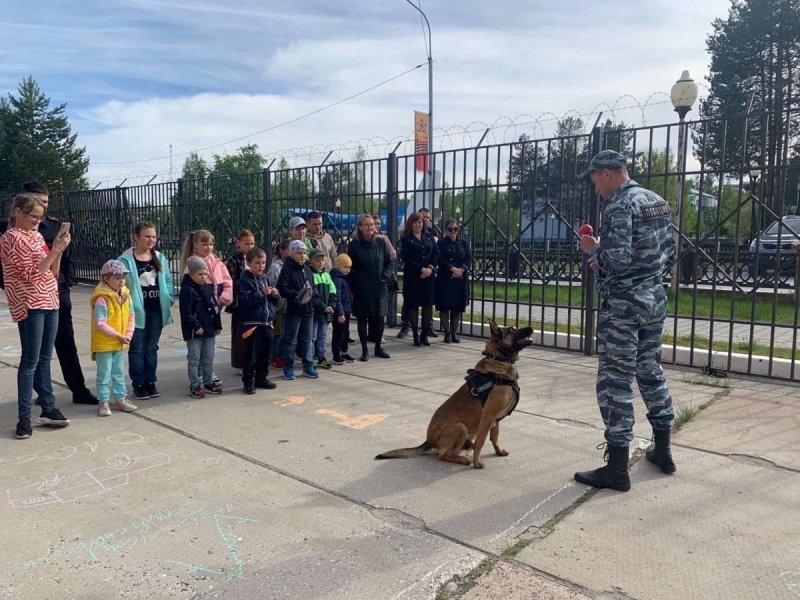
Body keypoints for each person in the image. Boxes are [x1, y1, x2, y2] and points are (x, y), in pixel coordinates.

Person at [573, 150, 677, 493]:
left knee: (615, 380)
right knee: (649, 368)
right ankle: (663, 450)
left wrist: (593, 249)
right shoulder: (657, 201)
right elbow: (668, 252)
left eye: (593, 178)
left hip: (625, 306)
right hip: (654, 299)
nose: (593, 185)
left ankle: (617, 469)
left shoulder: (618, 205)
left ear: (606, 173)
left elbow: (617, 257)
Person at [0, 181, 97, 405]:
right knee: (33, 352)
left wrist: (67, 282)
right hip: (28, 297)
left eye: (45, 203)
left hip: (56, 292)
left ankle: (78, 389)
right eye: (39, 203)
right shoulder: (9, 231)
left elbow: (67, 256)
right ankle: (42, 394)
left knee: (65, 343)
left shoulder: (52, 227)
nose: (42, 210)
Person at [1, 193, 72, 438]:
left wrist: (59, 250)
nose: (36, 222)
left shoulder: (37, 235)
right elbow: (31, 274)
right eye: (33, 216)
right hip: (30, 302)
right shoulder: (11, 238)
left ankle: (49, 407)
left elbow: (52, 272)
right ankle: (24, 418)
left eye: (39, 218)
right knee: (30, 361)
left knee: (44, 358)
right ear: (18, 211)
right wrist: (54, 251)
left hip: (49, 298)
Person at [118, 222, 174, 401]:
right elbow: (119, 285)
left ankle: (151, 381)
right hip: (136, 313)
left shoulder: (159, 257)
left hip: (156, 310)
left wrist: (169, 297)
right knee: (137, 348)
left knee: (152, 348)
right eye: (147, 236)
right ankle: (139, 384)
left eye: (153, 236)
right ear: (136, 237)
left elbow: (167, 280)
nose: (151, 240)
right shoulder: (124, 260)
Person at [180, 230, 232, 388]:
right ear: (195, 245)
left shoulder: (218, 262)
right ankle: (198, 379)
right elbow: (188, 303)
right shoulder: (193, 264)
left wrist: (224, 298)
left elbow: (228, 281)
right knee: (197, 351)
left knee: (208, 350)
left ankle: (207, 376)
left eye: (210, 244)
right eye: (204, 244)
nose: (208, 247)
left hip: (214, 307)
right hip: (199, 311)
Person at [91, 260, 138, 416]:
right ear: (106, 278)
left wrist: (128, 334)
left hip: (120, 342)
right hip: (105, 344)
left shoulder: (126, 295)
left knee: (118, 372)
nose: (121, 281)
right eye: (117, 277)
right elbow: (100, 322)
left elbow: (131, 316)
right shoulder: (102, 298)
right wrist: (118, 335)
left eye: (123, 277)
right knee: (104, 373)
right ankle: (103, 402)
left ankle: (120, 399)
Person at [348, 214, 393, 361]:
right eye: (366, 225)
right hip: (362, 287)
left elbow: (389, 261)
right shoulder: (354, 245)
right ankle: (364, 350)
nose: (370, 227)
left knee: (380, 318)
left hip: (379, 286)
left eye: (372, 224)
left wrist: (385, 276)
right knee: (363, 319)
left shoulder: (380, 242)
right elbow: (350, 267)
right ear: (360, 227)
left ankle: (378, 347)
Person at [179, 256, 223, 398]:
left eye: (205, 274)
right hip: (195, 332)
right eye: (200, 274)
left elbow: (214, 306)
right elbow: (186, 312)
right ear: (191, 274)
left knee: (208, 357)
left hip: (209, 330)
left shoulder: (207, 288)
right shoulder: (187, 290)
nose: (203, 277)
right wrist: (196, 326)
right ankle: (194, 384)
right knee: (194, 359)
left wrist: (217, 325)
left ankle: (208, 381)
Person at [237, 247, 279, 394]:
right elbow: (245, 301)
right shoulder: (245, 279)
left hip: (266, 322)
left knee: (265, 353)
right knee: (252, 354)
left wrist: (275, 295)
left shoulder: (265, 278)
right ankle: (248, 381)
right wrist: (261, 293)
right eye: (257, 263)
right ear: (248, 263)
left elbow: (273, 303)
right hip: (252, 323)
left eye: (263, 262)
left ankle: (261, 378)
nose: (261, 266)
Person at [277, 240, 319, 380]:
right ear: (292, 253)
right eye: (299, 253)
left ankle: (308, 366)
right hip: (294, 310)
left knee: (308, 339)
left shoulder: (307, 268)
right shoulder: (287, 269)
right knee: (291, 339)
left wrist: (313, 295)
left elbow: (313, 285)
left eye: (304, 253)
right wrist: (297, 295)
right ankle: (288, 367)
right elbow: (282, 288)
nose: (302, 256)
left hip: (308, 309)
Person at [400, 212, 439, 347]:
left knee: (428, 306)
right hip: (413, 277)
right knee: (413, 306)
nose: (418, 225)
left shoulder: (428, 236)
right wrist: (421, 269)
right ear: (410, 224)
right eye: (415, 222)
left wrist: (430, 267)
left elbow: (436, 253)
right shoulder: (406, 239)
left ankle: (424, 334)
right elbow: (407, 258)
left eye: (420, 222)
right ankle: (415, 334)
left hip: (428, 277)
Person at [225, 229, 256, 372]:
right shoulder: (234, 260)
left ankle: (252, 360)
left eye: (252, 244)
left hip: (253, 301)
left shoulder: (255, 258)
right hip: (239, 302)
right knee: (239, 334)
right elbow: (229, 280)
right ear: (239, 243)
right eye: (247, 244)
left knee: (253, 333)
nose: (250, 247)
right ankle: (239, 363)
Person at [436, 218, 471, 343]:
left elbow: (468, 258)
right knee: (445, 307)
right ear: (446, 230)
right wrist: (452, 268)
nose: (453, 231)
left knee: (457, 308)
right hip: (446, 278)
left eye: (455, 229)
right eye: (450, 229)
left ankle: (454, 333)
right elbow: (439, 259)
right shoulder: (441, 243)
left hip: (460, 279)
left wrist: (462, 269)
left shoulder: (463, 243)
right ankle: (447, 334)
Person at [309, 248, 337, 369]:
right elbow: (313, 295)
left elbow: (333, 292)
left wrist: (331, 305)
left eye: (322, 260)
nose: (321, 263)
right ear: (311, 261)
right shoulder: (310, 275)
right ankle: (310, 358)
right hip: (315, 312)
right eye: (317, 260)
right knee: (312, 336)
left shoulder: (327, 275)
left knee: (323, 336)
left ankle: (322, 357)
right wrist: (323, 307)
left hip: (325, 312)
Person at [266, 239, 291, 369]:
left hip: (288, 305)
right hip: (278, 305)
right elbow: (270, 285)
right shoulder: (276, 267)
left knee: (285, 332)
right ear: (281, 250)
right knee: (277, 332)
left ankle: (281, 354)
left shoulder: (290, 265)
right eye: (288, 249)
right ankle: (273, 356)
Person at [331, 254, 355, 365]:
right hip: (340, 312)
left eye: (349, 267)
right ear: (338, 267)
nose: (347, 270)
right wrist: (340, 313)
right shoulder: (337, 279)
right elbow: (337, 297)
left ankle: (344, 352)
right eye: (345, 267)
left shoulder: (345, 279)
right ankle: (336, 355)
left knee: (345, 333)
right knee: (338, 333)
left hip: (346, 310)